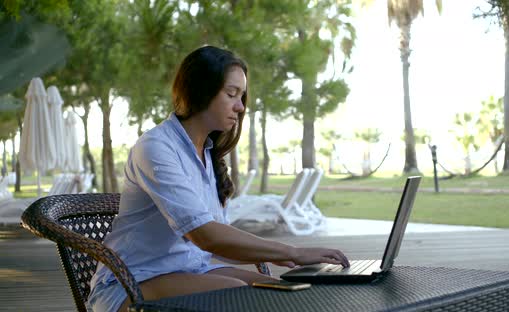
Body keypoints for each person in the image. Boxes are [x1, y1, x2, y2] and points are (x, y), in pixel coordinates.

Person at [87, 45, 350, 312]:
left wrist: (281, 257)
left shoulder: (207, 154)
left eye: (242, 96)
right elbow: (205, 236)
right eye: (231, 94)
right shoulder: (156, 147)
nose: (240, 106)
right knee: (236, 295)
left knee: (283, 293)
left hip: (192, 271)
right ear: (200, 92)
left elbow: (216, 247)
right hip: (131, 282)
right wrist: (292, 252)